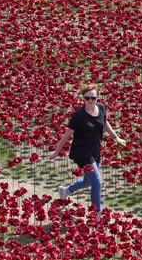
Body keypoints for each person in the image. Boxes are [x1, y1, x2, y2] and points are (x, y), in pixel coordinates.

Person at [48, 83, 125, 219]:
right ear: (83, 98)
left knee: (88, 181)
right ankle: (97, 214)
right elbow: (67, 135)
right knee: (96, 182)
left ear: (97, 98)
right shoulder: (79, 115)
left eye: (93, 98)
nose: (90, 101)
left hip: (95, 149)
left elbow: (104, 122)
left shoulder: (101, 108)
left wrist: (116, 137)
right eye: (87, 98)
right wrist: (56, 151)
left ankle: (66, 190)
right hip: (82, 152)